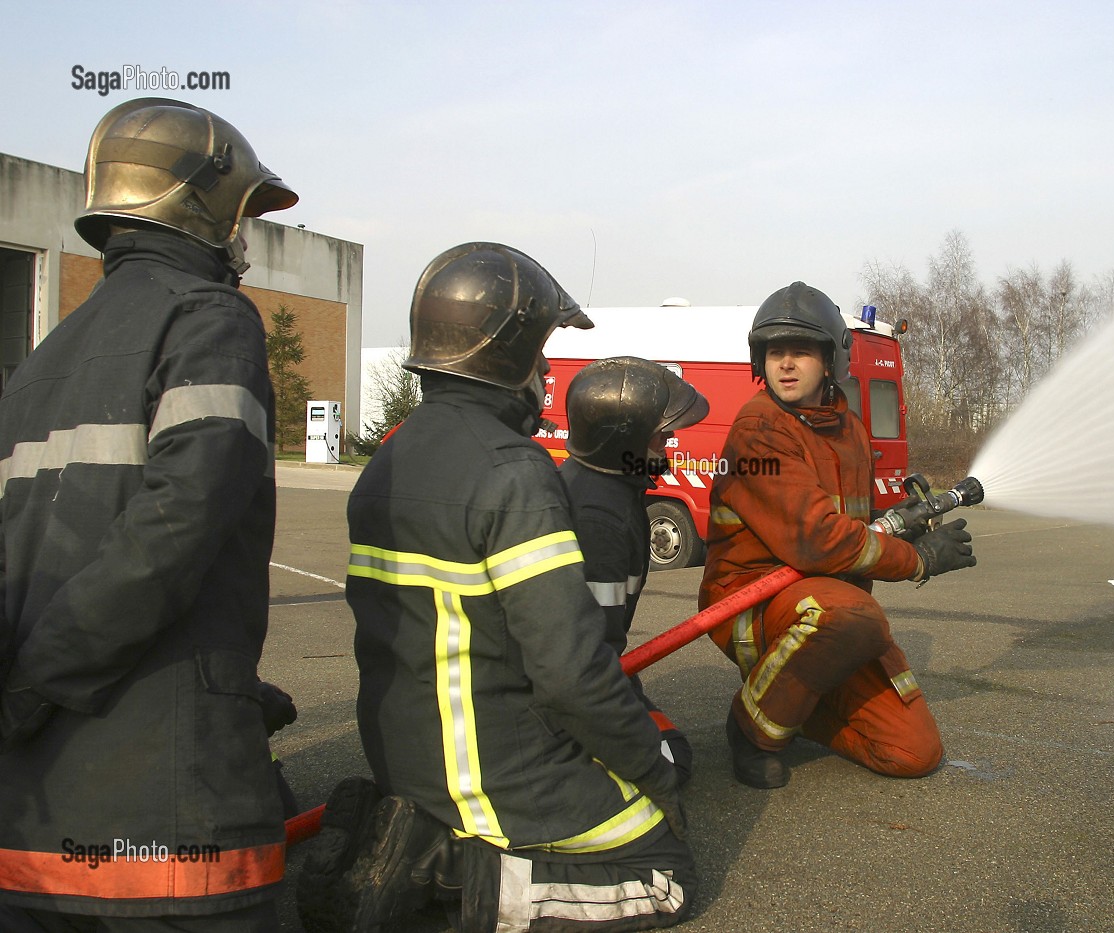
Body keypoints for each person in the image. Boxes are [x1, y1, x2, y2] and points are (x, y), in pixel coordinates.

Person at [298, 244, 693, 933]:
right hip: (480, 770)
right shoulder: (514, 471)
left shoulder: (392, 456)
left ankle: (388, 829)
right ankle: (447, 875)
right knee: (665, 868)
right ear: (509, 356)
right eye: (540, 348)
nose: (546, 369)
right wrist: (654, 772)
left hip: (405, 753)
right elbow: (571, 676)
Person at [0, 98, 297, 930]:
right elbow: (180, 518)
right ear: (203, 204)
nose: (245, 239)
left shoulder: (40, 361)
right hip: (166, 816)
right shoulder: (209, 319)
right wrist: (40, 679)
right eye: (244, 215)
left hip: (32, 819)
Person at [699, 282, 977, 789]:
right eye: (774, 352)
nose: (785, 364)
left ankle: (793, 702)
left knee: (912, 752)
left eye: (800, 352)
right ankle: (751, 730)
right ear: (759, 362)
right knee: (851, 616)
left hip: (829, 605)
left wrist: (905, 516)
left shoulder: (848, 429)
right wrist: (918, 563)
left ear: (830, 361)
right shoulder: (758, 430)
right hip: (754, 602)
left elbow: (857, 519)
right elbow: (819, 541)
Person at [559, 357, 710, 784]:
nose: (672, 440)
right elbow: (582, 659)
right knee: (671, 765)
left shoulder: (609, 488)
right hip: (570, 692)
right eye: (661, 434)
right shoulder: (598, 518)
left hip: (596, 671)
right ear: (621, 440)